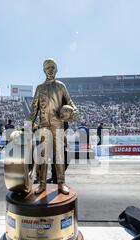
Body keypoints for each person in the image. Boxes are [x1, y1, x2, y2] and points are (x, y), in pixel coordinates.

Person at [30, 58, 78, 195]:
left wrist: (73, 112)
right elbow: (34, 109)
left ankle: (61, 183)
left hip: (58, 125)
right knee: (43, 156)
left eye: (52, 67)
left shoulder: (61, 86)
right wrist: (28, 124)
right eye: (47, 68)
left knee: (59, 156)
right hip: (44, 125)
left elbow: (70, 102)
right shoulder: (40, 88)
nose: (50, 70)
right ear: (43, 71)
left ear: (56, 69)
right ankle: (42, 184)